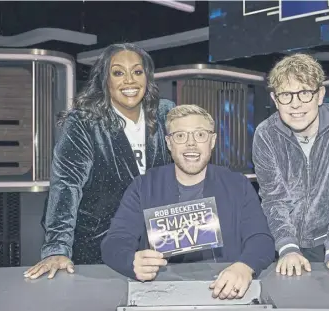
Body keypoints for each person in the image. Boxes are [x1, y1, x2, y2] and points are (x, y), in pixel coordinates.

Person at [23, 43, 175, 280]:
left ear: (147, 76)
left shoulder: (166, 113)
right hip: (96, 248)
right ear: (105, 79)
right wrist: (57, 247)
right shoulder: (84, 122)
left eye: (137, 71)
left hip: (153, 248)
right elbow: (66, 185)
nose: (129, 81)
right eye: (118, 72)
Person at [101, 105, 275, 300]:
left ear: (213, 141)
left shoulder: (237, 185)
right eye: (181, 136)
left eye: (200, 135)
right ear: (169, 143)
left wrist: (245, 266)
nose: (191, 144)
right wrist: (131, 261)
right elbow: (114, 242)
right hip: (159, 295)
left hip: (226, 294)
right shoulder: (144, 187)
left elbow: (261, 239)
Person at [252, 53, 329, 279]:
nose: (296, 103)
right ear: (275, 99)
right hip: (280, 240)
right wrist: (287, 247)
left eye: (305, 92)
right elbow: (273, 198)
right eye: (286, 95)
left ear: (320, 95)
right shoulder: (265, 134)